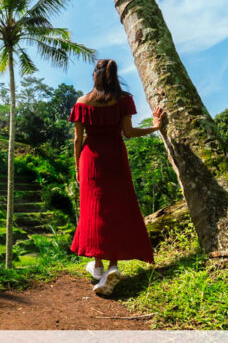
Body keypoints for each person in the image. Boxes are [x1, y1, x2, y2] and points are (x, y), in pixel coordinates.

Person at [69, 58, 165, 295]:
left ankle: (99, 266)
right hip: (115, 158)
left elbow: (77, 140)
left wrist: (78, 168)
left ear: (96, 75)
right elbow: (129, 133)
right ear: (114, 76)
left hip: (90, 160)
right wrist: (155, 126)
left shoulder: (82, 103)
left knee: (93, 210)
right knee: (116, 209)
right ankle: (111, 265)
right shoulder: (123, 100)